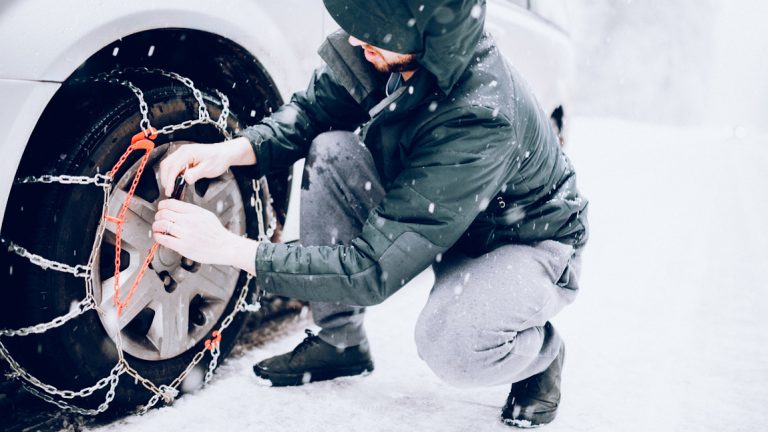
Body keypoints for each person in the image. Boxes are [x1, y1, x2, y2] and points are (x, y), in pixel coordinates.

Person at [153, 0, 588, 427]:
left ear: (425, 33)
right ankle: (339, 341)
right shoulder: (392, 51)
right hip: (449, 218)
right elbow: (313, 112)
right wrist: (231, 151)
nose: (358, 38)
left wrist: (228, 248)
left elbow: (371, 269)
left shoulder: (480, 117)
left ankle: (541, 357)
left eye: (375, 30)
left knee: (451, 345)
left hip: (523, 241)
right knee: (332, 150)